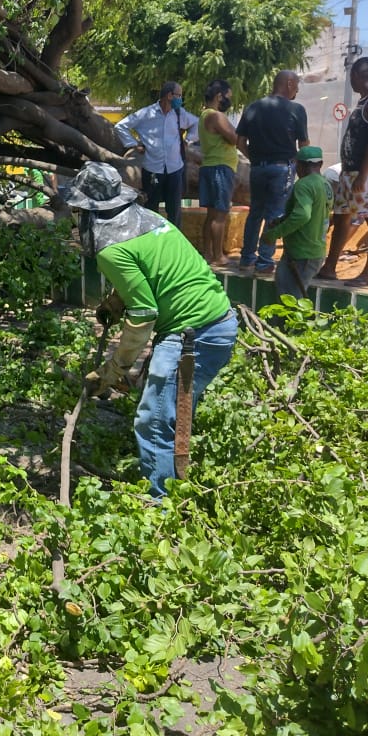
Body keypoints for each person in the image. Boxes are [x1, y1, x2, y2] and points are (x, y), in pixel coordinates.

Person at [68, 163, 237, 499]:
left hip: (194, 335)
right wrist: (116, 303)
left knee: (154, 420)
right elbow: (152, 272)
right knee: (167, 406)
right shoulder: (150, 220)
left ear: (89, 212)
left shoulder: (110, 250)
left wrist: (114, 369)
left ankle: (161, 508)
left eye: (76, 211)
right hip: (215, 323)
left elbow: (144, 313)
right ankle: (175, 477)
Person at [316, 57, 368, 287]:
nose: (351, 82)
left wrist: (363, 173)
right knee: (341, 217)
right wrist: (348, 170)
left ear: (361, 76)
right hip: (351, 172)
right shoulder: (365, 100)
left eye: (352, 77)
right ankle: (330, 267)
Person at [235, 70, 310, 276]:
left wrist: (255, 159)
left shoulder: (252, 107)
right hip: (282, 168)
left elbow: (240, 142)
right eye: (296, 85)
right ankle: (265, 261)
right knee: (275, 215)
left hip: (257, 168)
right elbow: (303, 144)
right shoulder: (296, 109)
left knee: (255, 213)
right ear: (288, 83)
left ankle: (246, 259)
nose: (297, 89)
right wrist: (304, 169)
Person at [114, 82, 200, 230]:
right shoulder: (146, 114)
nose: (180, 99)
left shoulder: (179, 113)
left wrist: (188, 140)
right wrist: (134, 144)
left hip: (175, 169)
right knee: (151, 209)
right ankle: (152, 240)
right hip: (153, 169)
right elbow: (120, 126)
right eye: (178, 95)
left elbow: (197, 123)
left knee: (174, 210)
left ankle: (174, 242)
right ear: (169, 96)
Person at [260, 146, 334, 299]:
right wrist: (282, 220)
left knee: (291, 302)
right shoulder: (326, 184)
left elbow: (302, 216)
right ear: (320, 164)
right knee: (291, 297)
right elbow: (315, 214)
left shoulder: (304, 184)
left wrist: (274, 234)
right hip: (314, 251)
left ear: (300, 165)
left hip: (301, 254)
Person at [198, 79, 240, 267]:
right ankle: (218, 256)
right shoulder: (215, 116)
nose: (229, 101)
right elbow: (234, 138)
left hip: (210, 166)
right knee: (220, 215)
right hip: (220, 168)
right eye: (228, 97)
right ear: (219, 96)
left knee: (211, 214)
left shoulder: (203, 115)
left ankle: (207, 253)